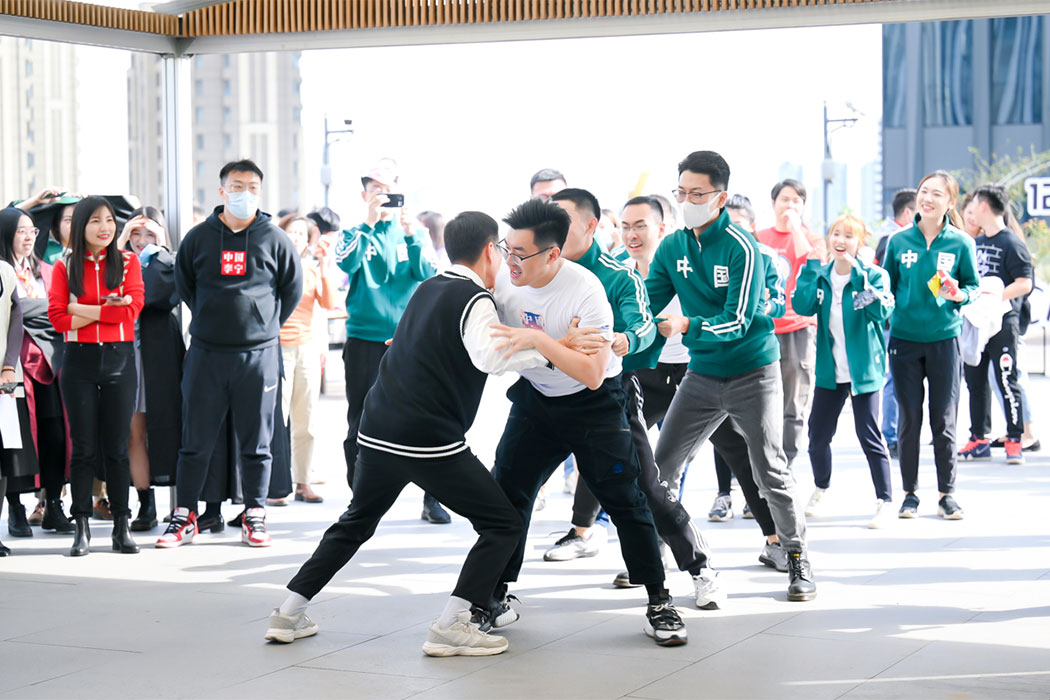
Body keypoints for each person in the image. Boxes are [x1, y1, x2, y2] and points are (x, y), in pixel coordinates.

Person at [269, 211, 579, 656]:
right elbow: (491, 358)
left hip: (377, 431)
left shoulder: (427, 288)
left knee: (355, 523)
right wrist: (553, 351)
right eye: (502, 249)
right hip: (428, 440)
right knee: (503, 523)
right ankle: (453, 623)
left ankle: (288, 612)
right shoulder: (475, 299)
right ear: (489, 250)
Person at [486, 198, 688, 646]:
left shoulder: (588, 291)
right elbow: (488, 340)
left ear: (552, 254)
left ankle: (659, 600)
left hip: (594, 404)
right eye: (507, 250)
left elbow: (592, 374)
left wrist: (538, 339)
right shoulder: (503, 279)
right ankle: (493, 594)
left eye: (521, 254)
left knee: (626, 498)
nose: (510, 261)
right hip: (536, 399)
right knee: (507, 494)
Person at [648, 151, 816, 602]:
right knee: (661, 468)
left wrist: (686, 325)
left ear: (720, 198)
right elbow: (647, 303)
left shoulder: (743, 247)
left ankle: (795, 555)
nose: (687, 201)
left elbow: (738, 321)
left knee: (769, 470)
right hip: (702, 373)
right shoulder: (672, 247)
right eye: (681, 192)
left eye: (696, 194)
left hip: (752, 373)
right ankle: (663, 551)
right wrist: (617, 330)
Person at [544, 188, 722, 610]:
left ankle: (698, 571)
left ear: (590, 225)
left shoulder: (618, 274)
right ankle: (489, 593)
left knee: (649, 482)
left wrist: (628, 338)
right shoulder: (540, 268)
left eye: (563, 222)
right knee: (512, 482)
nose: (554, 231)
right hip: (548, 393)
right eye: (625, 226)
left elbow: (642, 322)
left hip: (619, 388)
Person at [157, 159, 302, 548]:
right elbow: (186, 287)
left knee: (257, 442)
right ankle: (184, 515)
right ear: (222, 191)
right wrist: (212, 319)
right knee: (195, 441)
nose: (245, 193)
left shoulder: (275, 238)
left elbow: (291, 291)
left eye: (253, 187)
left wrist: (262, 325)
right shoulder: (198, 238)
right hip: (206, 354)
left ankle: (255, 513)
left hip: (258, 356)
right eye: (237, 186)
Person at [334, 159, 446, 524]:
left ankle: (433, 499)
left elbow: (428, 272)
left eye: (388, 190)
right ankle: (360, 502)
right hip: (363, 340)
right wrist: (369, 223)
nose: (382, 197)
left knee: (426, 420)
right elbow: (345, 264)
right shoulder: (354, 232)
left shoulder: (413, 232)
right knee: (360, 420)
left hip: (409, 342)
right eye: (375, 191)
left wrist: (413, 234)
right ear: (364, 195)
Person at [47, 196, 145, 556]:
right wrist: (106, 307)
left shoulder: (129, 261)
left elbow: (131, 311)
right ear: (81, 226)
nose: (105, 228)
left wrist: (81, 307)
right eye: (95, 221)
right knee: (84, 448)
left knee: (117, 448)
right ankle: (82, 526)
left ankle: (122, 525)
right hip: (79, 362)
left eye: (109, 221)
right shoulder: (65, 264)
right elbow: (58, 318)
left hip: (120, 360)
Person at [883, 170, 979, 520]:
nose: (927, 198)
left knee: (944, 419)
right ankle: (910, 494)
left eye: (937, 194)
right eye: (924, 191)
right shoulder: (898, 242)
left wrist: (959, 293)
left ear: (950, 202)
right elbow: (887, 287)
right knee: (910, 419)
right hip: (904, 341)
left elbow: (973, 287)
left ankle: (946, 494)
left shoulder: (961, 243)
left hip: (944, 340)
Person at [792, 214, 895, 528]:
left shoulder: (873, 275)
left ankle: (885, 500)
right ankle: (821, 488)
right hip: (829, 370)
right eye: (836, 234)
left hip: (863, 371)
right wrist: (811, 267)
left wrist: (860, 278)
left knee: (869, 435)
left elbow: (881, 311)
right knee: (817, 436)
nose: (841, 241)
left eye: (849, 236)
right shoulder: (821, 276)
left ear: (859, 243)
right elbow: (802, 305)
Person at [0, 207, 72, 534]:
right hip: (13, 365)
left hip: (50, 362)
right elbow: (22, 311)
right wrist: (44, 309)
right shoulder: (3, 272)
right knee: (16, 439)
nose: (28, 237)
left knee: (54, 434)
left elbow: (59, 309)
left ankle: (53, 504)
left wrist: (39, 310)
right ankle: (15, 508)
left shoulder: (46, 270)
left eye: (32, 230)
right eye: (20, 231)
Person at [117, 207, 183, 531]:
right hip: (123, 352)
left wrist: (161, 249)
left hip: (160, 353)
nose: (141, 240)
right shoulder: (116, 261)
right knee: (134, 431)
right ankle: (145, 503)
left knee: (170, 425)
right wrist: (119, 245)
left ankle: (183, 504)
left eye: (149, 234)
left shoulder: (169, 262)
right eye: (135, 233)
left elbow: (160, 296)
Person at [957, 185, 1032, 466]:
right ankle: (979, 438)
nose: (971, 212)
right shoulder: (974, 243)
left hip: (1002, 322)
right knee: (975, 381)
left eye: (974, 205)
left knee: (1006, 379)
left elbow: (1024, 283)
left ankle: (1015, 439)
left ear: (985, 206)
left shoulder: (1011, 243)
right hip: (977, 322)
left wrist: (993, 296)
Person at [756, 179, 826, 468]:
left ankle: (786, 465)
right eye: (785, 199)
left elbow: (812, 263)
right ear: (773, 203)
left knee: (794, 402)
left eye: (797, 200)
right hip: (765, 326)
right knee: (761, 401)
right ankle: (761, 464)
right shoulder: (760, 237)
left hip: (799, 327)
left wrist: (796, 229)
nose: (790, 205)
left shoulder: (813, 239)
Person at [279, 215, 338, 502]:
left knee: (307, 420)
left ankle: (302, 482)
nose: (296, 237)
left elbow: (329, 303)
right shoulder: (271, 265)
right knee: (276, 420)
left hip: (306, 349)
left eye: (301, 234)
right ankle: (275, 485)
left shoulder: (312, 269)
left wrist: (325, 266)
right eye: (291, 232)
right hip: (276, 349)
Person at [875, 189, 918, 460]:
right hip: (895, 322)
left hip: (899, 322)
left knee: (897, 379)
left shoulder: (890, 238)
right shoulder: (892, 240)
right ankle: (891, 436)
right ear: (908, 212)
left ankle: (896, 435)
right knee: (894, 379)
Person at [0, 249, 25, 554]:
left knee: (2, 462)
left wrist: (9, 365)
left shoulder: (5, 271)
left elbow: (16, 318)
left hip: (2, 380)